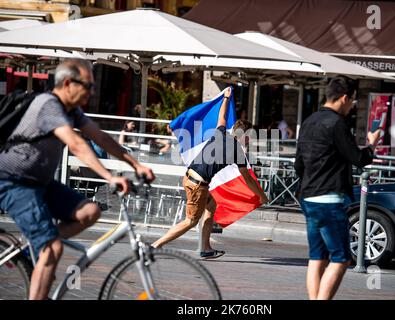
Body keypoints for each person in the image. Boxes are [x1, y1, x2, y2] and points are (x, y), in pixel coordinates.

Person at [0, 59, 155, 300]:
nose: (92, 92)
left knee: (90, 212)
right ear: (68, 83)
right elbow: (76, 143)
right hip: (13, 181)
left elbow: (100, 137)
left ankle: (38, 251)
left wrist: (136, 164)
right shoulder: (48, 105)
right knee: (53, 248)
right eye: (88, 86)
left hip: (40, 183)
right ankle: (44, 250)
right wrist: (109, 176)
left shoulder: (72, 111)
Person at [151, 87, 268, 258]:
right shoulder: (237, 151)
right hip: (198, 184)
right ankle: (155, 245)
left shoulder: (220, 133)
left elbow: (222, 116)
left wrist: (226, 99)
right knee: (190, 221)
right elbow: (248, 179)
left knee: (211, 206)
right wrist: (261, 196)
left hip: (193, 178)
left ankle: (205, 248)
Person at [294, 76, 381, 300]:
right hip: (329, 200)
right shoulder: (337, 123)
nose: (352, 106)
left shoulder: (308, 121)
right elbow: (358, 158)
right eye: (352, 101)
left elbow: (299, 165)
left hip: (308, 198)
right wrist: (372, 144)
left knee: (317, 257)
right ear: (344, 98)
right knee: (341, 258)